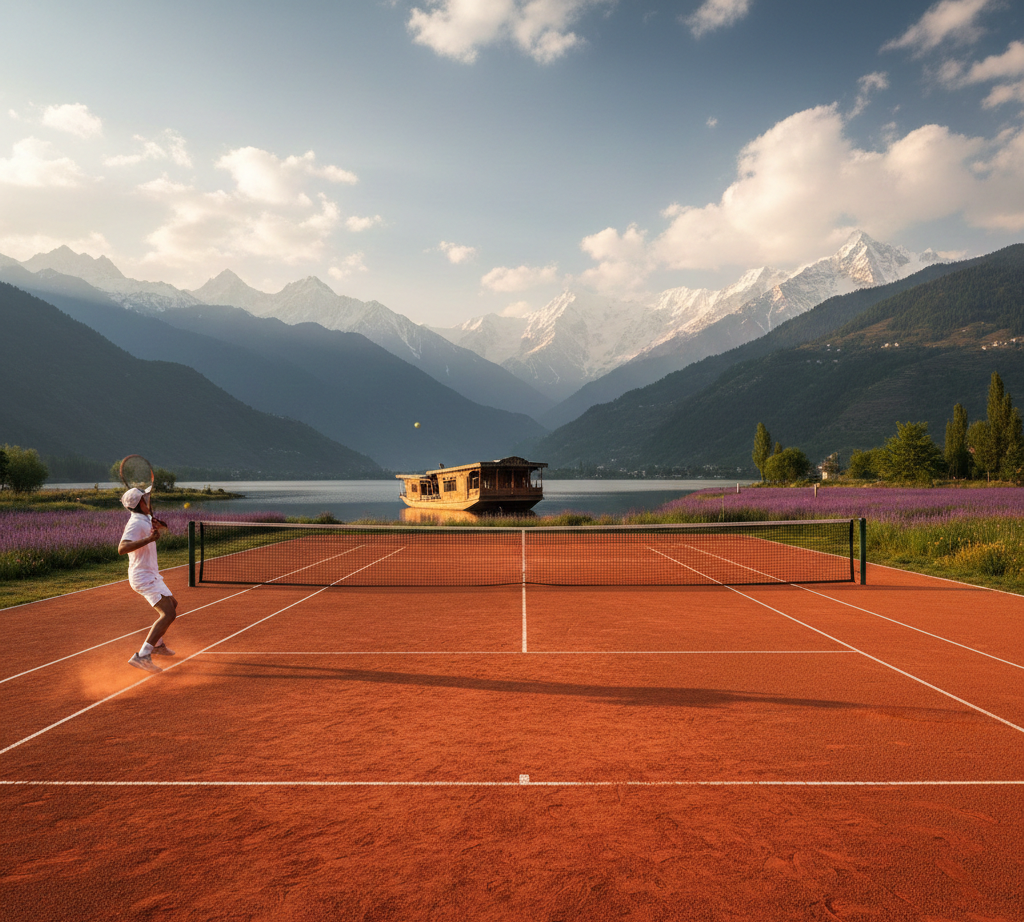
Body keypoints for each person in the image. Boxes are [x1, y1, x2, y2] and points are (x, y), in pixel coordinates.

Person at [118, 486, 177, 674]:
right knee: (168, 614)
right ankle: (142, 655)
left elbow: (160, 527)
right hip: (143, 576)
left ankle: (157, 645)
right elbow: (122, 548)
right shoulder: (135, 522)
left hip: (151, 574)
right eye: (146, 499)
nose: (149, 501)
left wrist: (159, 525)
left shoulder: (144, 518)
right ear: (138, 504)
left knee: (172, 604)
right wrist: (149, 539)